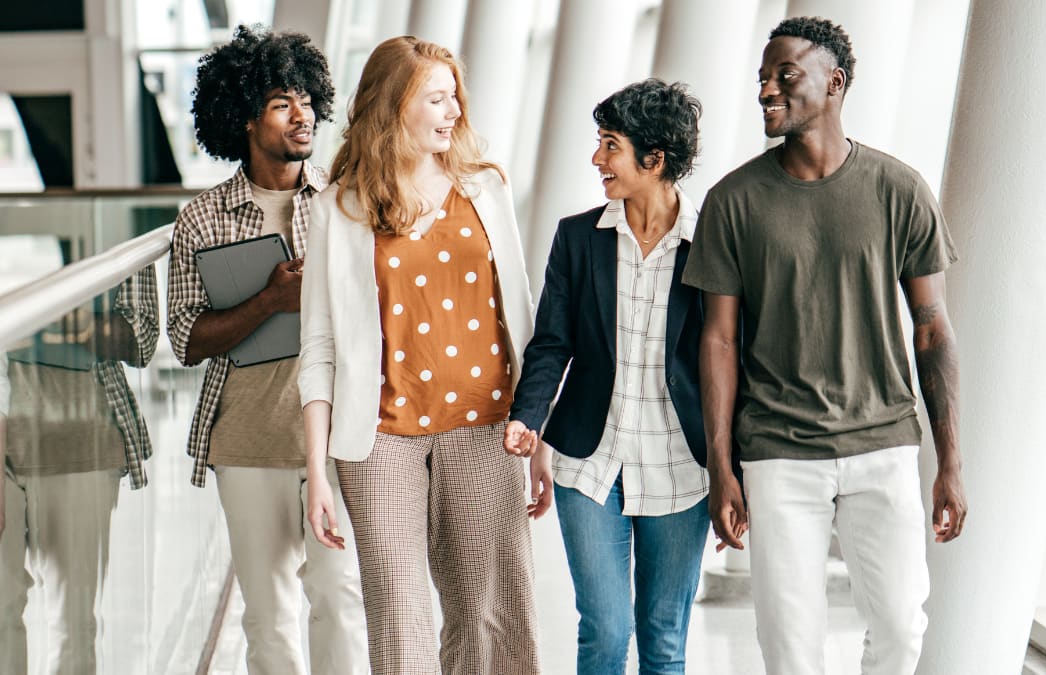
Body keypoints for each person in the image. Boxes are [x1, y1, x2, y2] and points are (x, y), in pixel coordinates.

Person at [682, 16, 968, 675]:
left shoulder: (899, 190)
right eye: (762, 78)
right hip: (778, 450)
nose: (767, 90)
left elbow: (933, 329)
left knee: (900, 629)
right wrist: (722, 466)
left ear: (835, 83)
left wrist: (950, 459)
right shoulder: (733, 201)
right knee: (790, 647)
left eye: (786, 75)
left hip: (884, 444)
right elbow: (718, 341)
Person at [299, 36, 540, 674]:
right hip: (379, 439)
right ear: (391, 108)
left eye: (455, 95)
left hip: (487, 427)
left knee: (489, 607)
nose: (454, 110)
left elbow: (521, 314)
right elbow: (319, 347)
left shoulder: (486, 190)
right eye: (436, 98)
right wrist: (317, 473)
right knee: (399, 610)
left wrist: (539, 430)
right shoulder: (339, 210)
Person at [166, 25, 367, 675]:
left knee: (338, 596)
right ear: (246, 117)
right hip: (246, 441)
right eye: (283, 101)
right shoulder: (203, 217)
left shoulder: (345, 202)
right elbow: (186, 338)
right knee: (269, 616)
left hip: (336, 435)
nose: (302, 112)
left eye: (306, 98)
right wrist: (268, 303)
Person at [503, 79, 709, 674]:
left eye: (610, 146)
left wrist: (733, 470)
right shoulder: (576, 237)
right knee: (605, 630)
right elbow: (552, 342)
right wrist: (528, 416)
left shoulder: (713, 243)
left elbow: (732, 358)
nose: (598, 160)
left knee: (664, 638)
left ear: (655, 158)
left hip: (682, 466)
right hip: (590, 463)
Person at [1, 268, 157, 674]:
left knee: (73, 622)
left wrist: (60, 310)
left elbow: (140, 340)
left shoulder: (109, 225)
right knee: (1, 610)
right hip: (6, 434)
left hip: (79, 437)